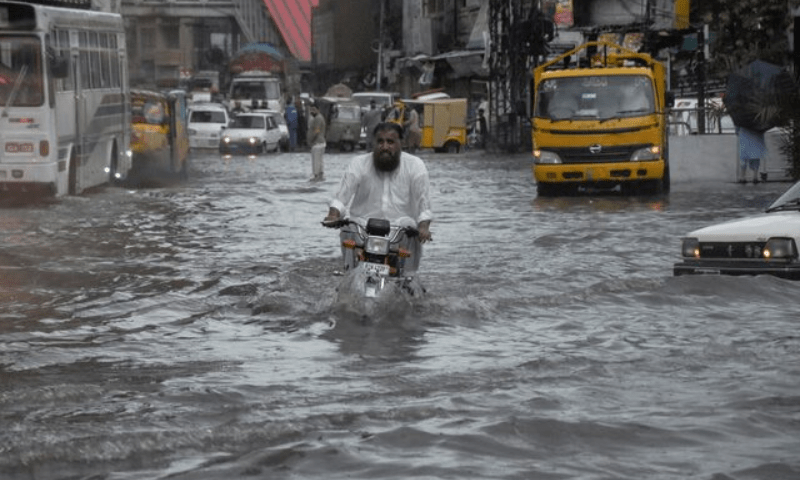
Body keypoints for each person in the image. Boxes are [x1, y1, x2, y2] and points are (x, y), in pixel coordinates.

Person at [323, 122, 433, 272]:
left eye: (390, 142)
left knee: (412, 232)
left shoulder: (415, 166)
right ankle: (348, 275)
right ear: (373, 143)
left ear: (402, 143)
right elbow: (341, 195)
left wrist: (423, 226)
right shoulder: (358, 163)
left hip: (400, 231)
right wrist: (333, 215)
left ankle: (408, 280)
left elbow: (424, 204)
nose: (385, 147)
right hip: (363, 230)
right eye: (380, 141)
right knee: (348, 228)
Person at [307, 101, 327, 181]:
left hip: (317, 143)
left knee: (316, 162)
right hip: (320, 143)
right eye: (311, 110)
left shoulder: (318, 118)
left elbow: (316, 131)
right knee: (320, 161)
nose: (312, 111)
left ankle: (316, 176)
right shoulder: (318, 117)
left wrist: (310, 140)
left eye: (314, 109)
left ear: (318, 110)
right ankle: (320, 175)